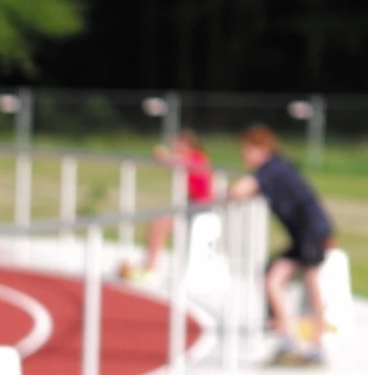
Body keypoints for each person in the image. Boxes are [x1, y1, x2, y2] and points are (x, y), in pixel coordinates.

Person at [229, 125, 333, 368]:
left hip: (311, 233)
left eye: (247, 150)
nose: (244, 156)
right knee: (273, 278)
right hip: (302, 236)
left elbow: (241, 190)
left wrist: (222, 194)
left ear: (261, 149)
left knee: (312, 286)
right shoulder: (275, 168)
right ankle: (288, 338)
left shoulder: (272, 168)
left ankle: (318, 345)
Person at [140, 128, 214, 273]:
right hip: (194, 206)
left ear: (185, 144)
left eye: (176, 142)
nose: (174, 145)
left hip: (199, 209)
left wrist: (160, 154)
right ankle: (149, 266)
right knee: (158, 225)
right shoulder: (195, 157)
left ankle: (149, 268)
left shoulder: (195, 157)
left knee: (158, 227)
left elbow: (171, 160)